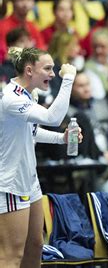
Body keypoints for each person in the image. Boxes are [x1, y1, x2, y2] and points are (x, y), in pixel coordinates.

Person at [0, 47, 77, 267]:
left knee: (35, 245)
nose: (53, 74)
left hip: (29, 180)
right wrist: (69, 78)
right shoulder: (10, 98)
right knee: (11, 255)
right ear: (29, 70)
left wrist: (62, 139)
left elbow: (32, 132)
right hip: (10, 183)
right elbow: (53, 117)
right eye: (48, 69)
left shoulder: (27, 94)